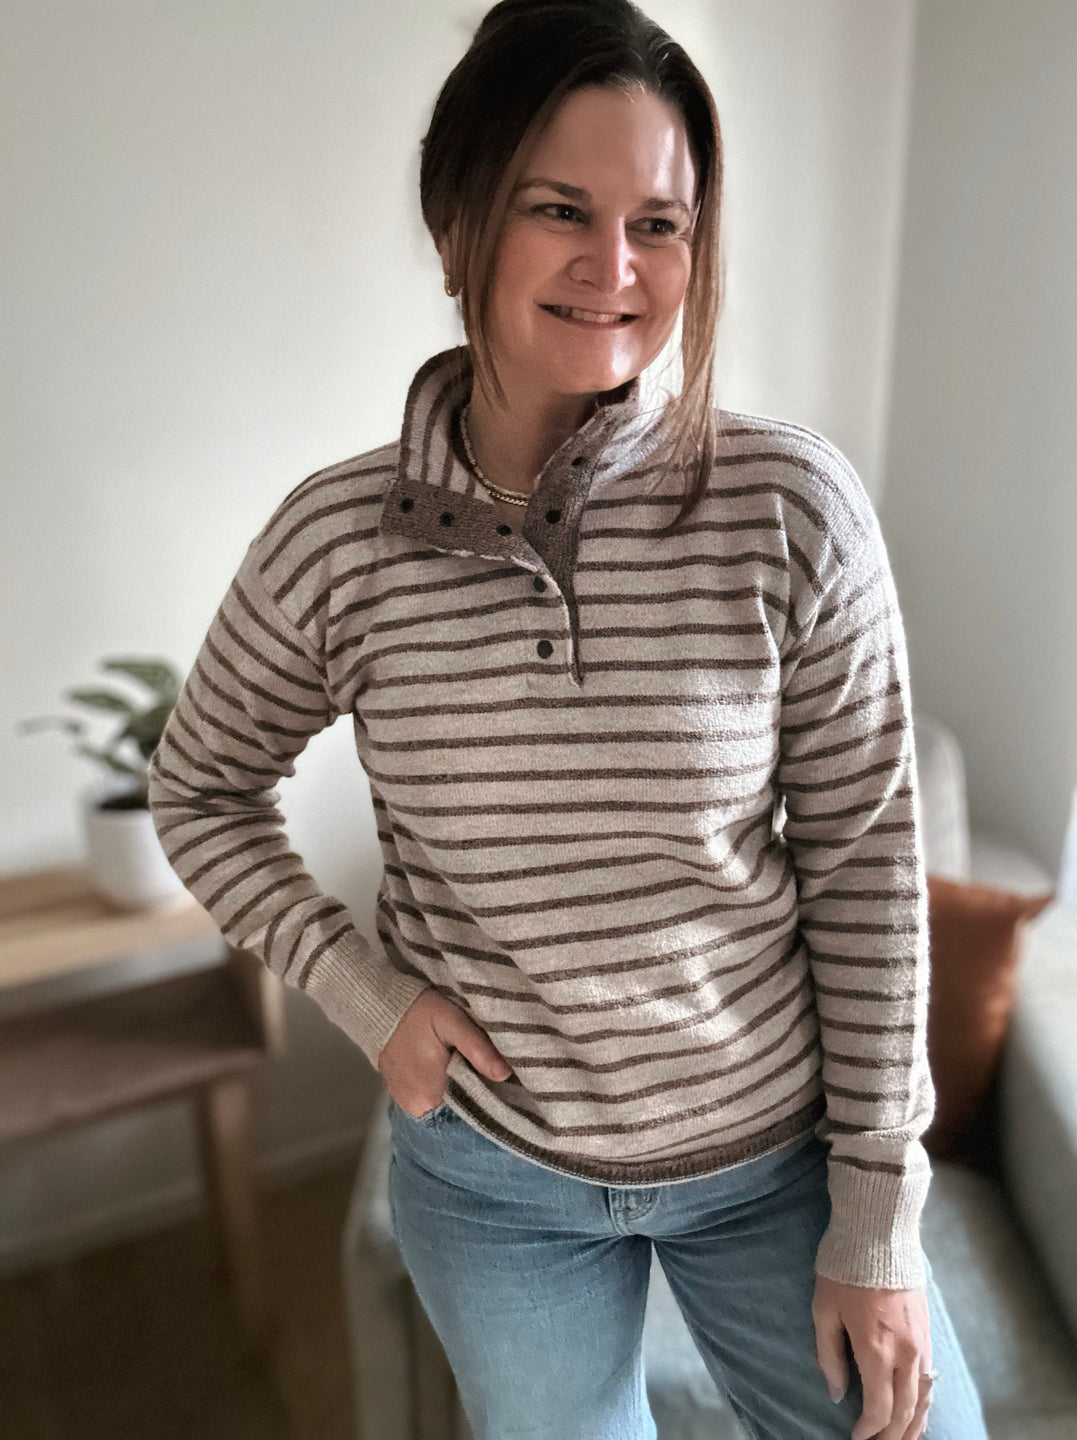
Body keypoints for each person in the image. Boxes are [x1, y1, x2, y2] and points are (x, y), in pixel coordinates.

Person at [146, 2, 990, 1437]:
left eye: (661, 224)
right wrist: (370, 1003)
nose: (616, 270)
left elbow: (863, 878)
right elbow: (199, 792)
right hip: (497, 1190)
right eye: (560, 209)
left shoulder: (790, 511)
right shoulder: (338, 542)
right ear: (454, 213)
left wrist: (876, 1221)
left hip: (773, 1162)